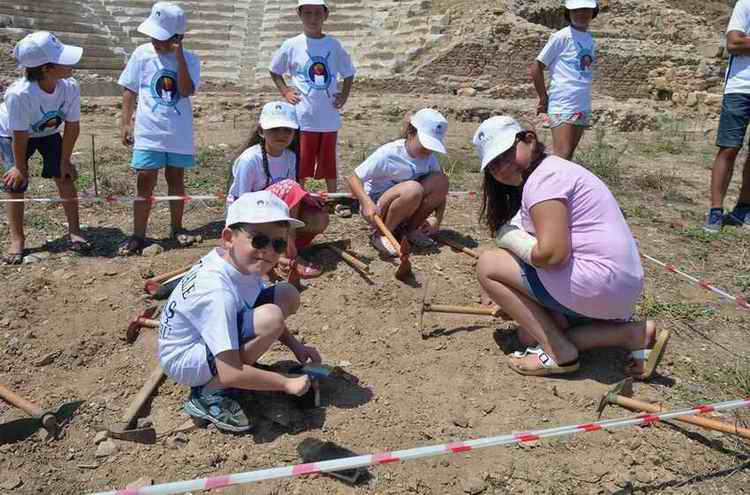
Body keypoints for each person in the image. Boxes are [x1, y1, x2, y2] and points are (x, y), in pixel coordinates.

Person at [473, 116, 668, 378]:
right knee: (527, 334)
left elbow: (552, 256)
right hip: (620, 288)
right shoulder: (554, 170)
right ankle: (633, 334)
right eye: (494, 166)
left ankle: (558, 352)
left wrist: (508, 239)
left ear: (528, 139)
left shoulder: (544, 180)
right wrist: (518, 299)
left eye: (506, 155)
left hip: (598, 282)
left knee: (488, 264)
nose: (503, 168)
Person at [159, 190, 322, 432]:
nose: (268, 251)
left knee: (286, 294)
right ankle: (209, 393)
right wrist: (285, 383)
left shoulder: (242, 265)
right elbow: (231, 371)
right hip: (185, 360)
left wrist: (295, 346)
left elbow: (258, 308)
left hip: (203, 339)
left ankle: (240, 370)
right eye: (258, 241)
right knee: (270, 319)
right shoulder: (216, 291)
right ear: (228, 238)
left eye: (278, 244)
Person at [117, 2, 201, 255]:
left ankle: (177, 227)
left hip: (178, 132)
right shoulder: (142, 54)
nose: (155, 41)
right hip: (148, 131)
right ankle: (138, 234)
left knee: (175, 178)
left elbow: (186, 90)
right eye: (153, 35)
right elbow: (129, 89)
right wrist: (125, 122)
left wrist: (178, 58)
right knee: (145, 180)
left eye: (161, 37)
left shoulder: (190, 59)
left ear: (178, 38)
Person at [0, 31, 89, 264]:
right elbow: (19, 134)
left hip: (49, 131)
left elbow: (72, 126)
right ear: (47, 68)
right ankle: (17, 239)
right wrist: (20, 167)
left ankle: (75, 232)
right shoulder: (19, 95)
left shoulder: (69, 86)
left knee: (65, 175)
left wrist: (65, 160)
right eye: (63, 59)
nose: (71, 63)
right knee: (15, 184)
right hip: (12, 135)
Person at [269, 0, 356, 218]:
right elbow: (275, 70)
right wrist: (285, 91)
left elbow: (348, 71)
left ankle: (333, 199)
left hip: (328, 115)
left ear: (325, 15)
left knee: (328, 159)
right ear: (299, 14)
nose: (313, 18)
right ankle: (299, 197)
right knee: (302, 158)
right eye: (307, 13)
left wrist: (344, 95)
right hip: (303, 115)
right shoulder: (292, 44)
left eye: (317, 13)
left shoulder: (333, 45)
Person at [227, 101, 329, 278]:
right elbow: (241, 201)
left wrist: (308, 197)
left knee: (320, 218)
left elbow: (290, 195)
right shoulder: (249, 160)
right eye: (274, 129)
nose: (281, 135)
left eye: (287, 130)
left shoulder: (290, 157)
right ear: (261, 132)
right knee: (290, 186)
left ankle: (279, 247)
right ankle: (288, 254)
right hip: (252, 215)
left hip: (276, 212)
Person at [348, 109, 449, 256]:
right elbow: (353, 177)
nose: (428, 150)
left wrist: (437, 219)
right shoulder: (389, 153)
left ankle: (410, 230)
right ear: (410, 132)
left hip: (408, 204)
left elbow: (440, 190)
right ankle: (382, 234)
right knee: (413, 189)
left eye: (431, 146)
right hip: (377, 208)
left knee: (441, 180)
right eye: (424, 144)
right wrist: (365, 202)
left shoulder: (430, 158)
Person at [530, 0, 598, 160]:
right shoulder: (561, 36)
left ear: (593, 12)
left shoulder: (589, 38)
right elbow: (536, 66)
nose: (581, 14)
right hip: (563, 103)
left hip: (582, 104)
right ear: (569, 13)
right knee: (562, 155)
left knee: (568, 158)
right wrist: (543, 97)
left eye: (586, 10)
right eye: (576, 10)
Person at [703, 0, 750, 232]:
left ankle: (743, 208)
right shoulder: (746, 4)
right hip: (741, 87)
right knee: (729, 148)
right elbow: (734, 43)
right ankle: (715, 210)